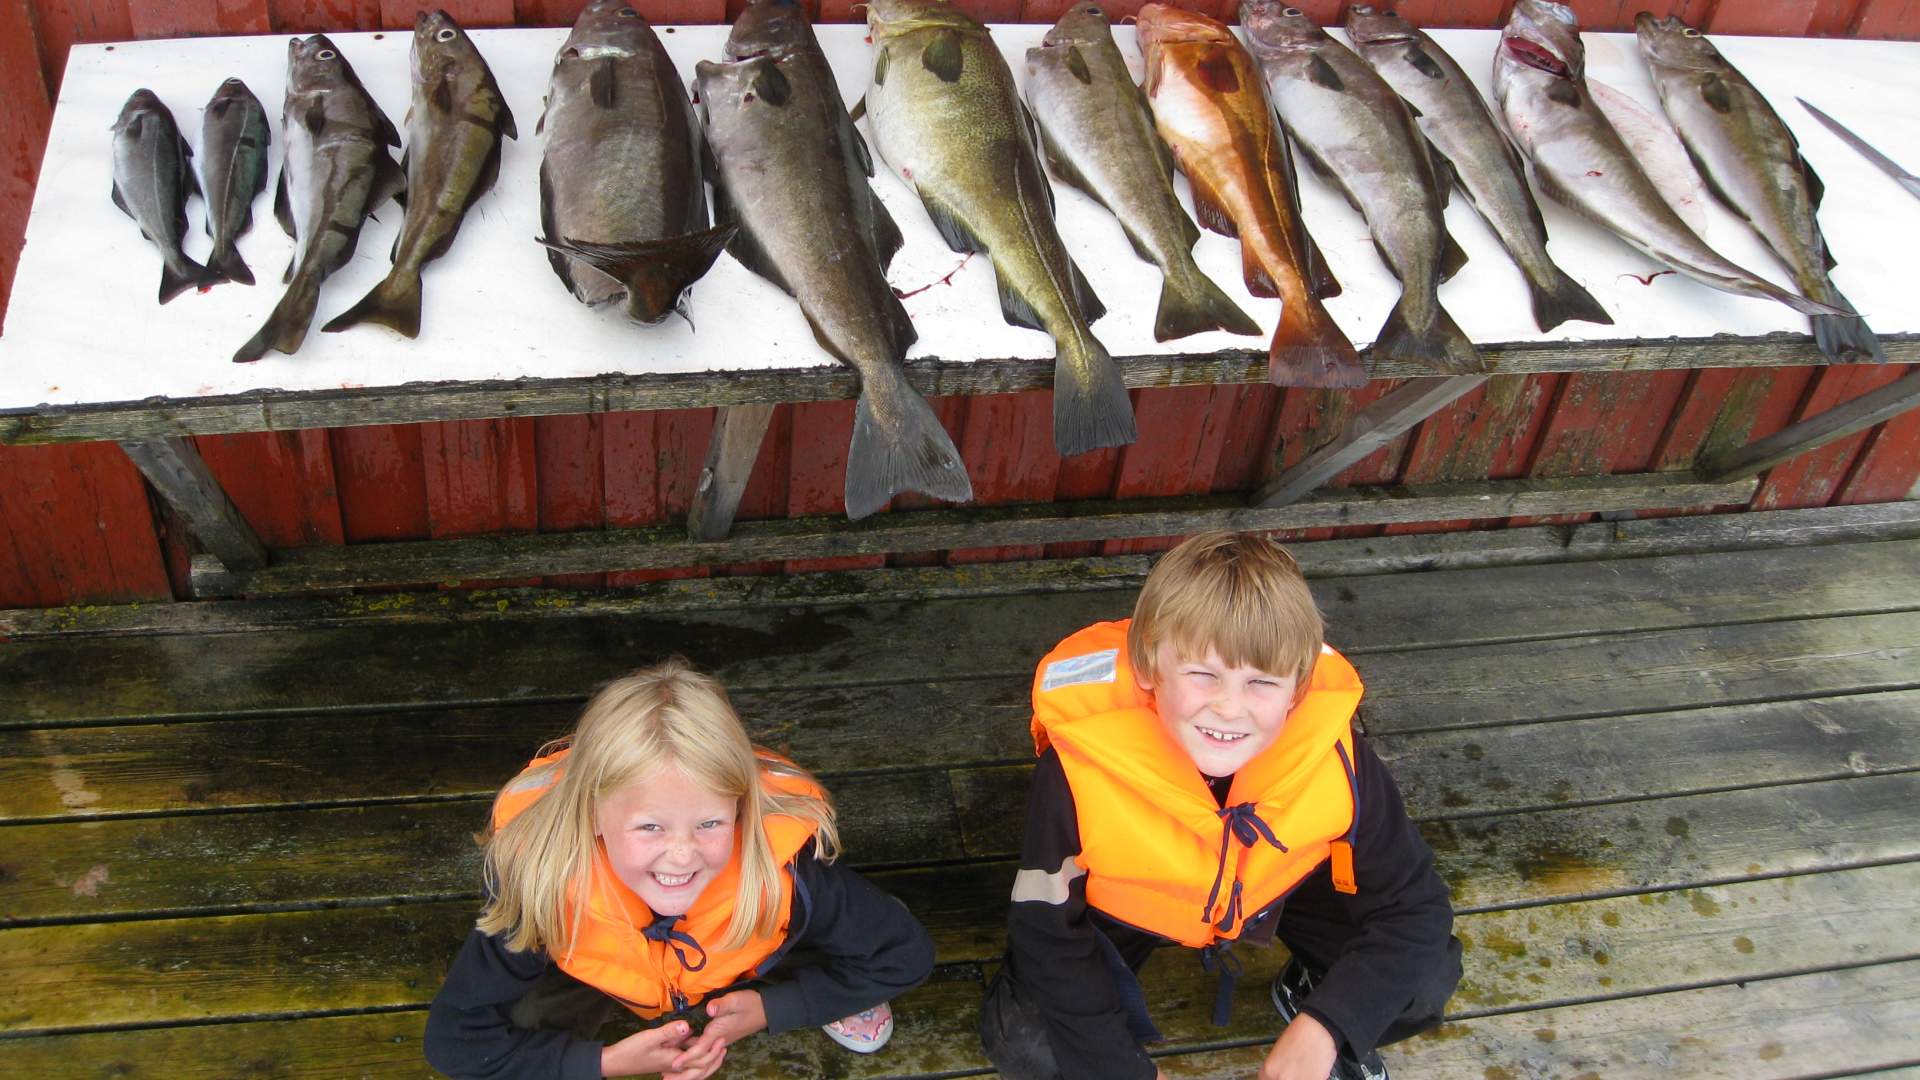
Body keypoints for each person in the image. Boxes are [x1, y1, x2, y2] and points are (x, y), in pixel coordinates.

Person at [980, 531, 1461, 1080]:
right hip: (1125, 904)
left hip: (1270, 886)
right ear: (1147, 667)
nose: (1229, 708)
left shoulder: (1336, 753)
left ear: (1298, 690)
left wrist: (1328, 1024)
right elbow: (1044, 933)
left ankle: (1306, 991)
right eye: (1202, 673)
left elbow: (1416, 907)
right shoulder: (1075, 766)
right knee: (1024, 1044)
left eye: (1261, 681)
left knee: (1423, 981)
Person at [426, 658, 935, 1080]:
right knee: (518, 1021)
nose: (683, 854)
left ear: (741, 807)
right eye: (650, 827)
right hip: (600, 970)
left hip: (741, 950)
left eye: (710, 822)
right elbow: (453, 1040)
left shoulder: (788, 869)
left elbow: (906, 953)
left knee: (856, 938)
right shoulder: (540, 885)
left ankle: (815, 987)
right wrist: (605, 1063)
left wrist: (773, 1010)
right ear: (592, 815)